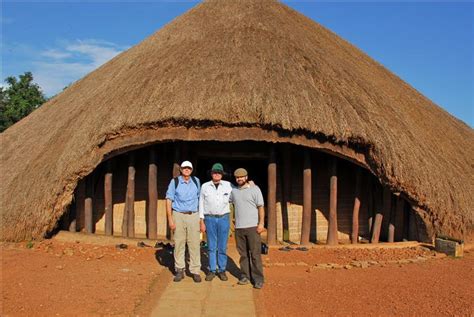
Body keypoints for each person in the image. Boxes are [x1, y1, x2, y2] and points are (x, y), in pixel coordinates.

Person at [165, 160, 203, 283]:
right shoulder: (174, 182)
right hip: (178, 214)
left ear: (191, 170)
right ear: (181, 170)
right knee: (179, 243)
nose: (187, 170)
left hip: (193, 215)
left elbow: (200, 200)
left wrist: (201, 219)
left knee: (194, 243)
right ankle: (179, 269)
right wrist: (170, 218)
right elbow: (169, 199)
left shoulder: (196, 181)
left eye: (189, 168)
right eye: (184, 168)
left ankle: (195, 270)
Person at [231, 168, 265, 289]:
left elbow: (260, 207)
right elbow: (228, 202)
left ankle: (258, 279)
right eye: (237, 177)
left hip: (252, 227)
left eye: (241, 177)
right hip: (239, 227)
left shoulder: (255, 189)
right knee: (243, 254)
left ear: (246, 177)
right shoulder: (234, 191)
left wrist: (261, 223)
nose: (239, 179)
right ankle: (245, 276)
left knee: (255, 254)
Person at [199, 163, 232, 282]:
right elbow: (201, 204)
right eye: (214, 172)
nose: (217, 174)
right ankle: (212, 269)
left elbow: (238, 194)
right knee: (211, 246)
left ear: (222, 174)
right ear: (211, 173)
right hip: (210, 218)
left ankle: (222, 270)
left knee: (222, 246)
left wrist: (250, 185)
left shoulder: (229, 186)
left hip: (224, 218)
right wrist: (201, 221)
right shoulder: (205, 186)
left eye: (219, 172)